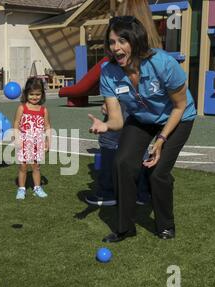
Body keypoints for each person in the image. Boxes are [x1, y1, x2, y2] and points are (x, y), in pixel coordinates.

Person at [88, 16, 196, 242]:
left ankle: (165, 225)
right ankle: (125, 228)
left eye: (122, 41)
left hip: (177, 117)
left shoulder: (164, 63)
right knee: (122, 163)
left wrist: (161, 139)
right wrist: (106, 125)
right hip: (142, 118)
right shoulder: (109, 72)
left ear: (135, 41)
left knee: (157, 173)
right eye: (111, 42)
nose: (115, 47)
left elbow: (179, 105)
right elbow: (117, 119)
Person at [85, 102, 151, 207]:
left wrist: (107, 104)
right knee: (140, 142)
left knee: (108, 140)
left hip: (123, 106)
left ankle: (107, 193)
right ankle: (142, 192)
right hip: (143, 108)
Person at [13, 77, 51, 200]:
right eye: (31, 94)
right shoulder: (22, 108)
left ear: (42, 94)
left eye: (38, 94)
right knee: (23, 167)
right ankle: (21, 189)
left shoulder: (43, 110)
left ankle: (37, 187)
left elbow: (47, 126)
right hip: (24, 142)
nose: (34, 97)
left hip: (37, 143)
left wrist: (47, 141)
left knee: (36, 166)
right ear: (26, 94)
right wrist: (17, 138)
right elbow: (16, 123)